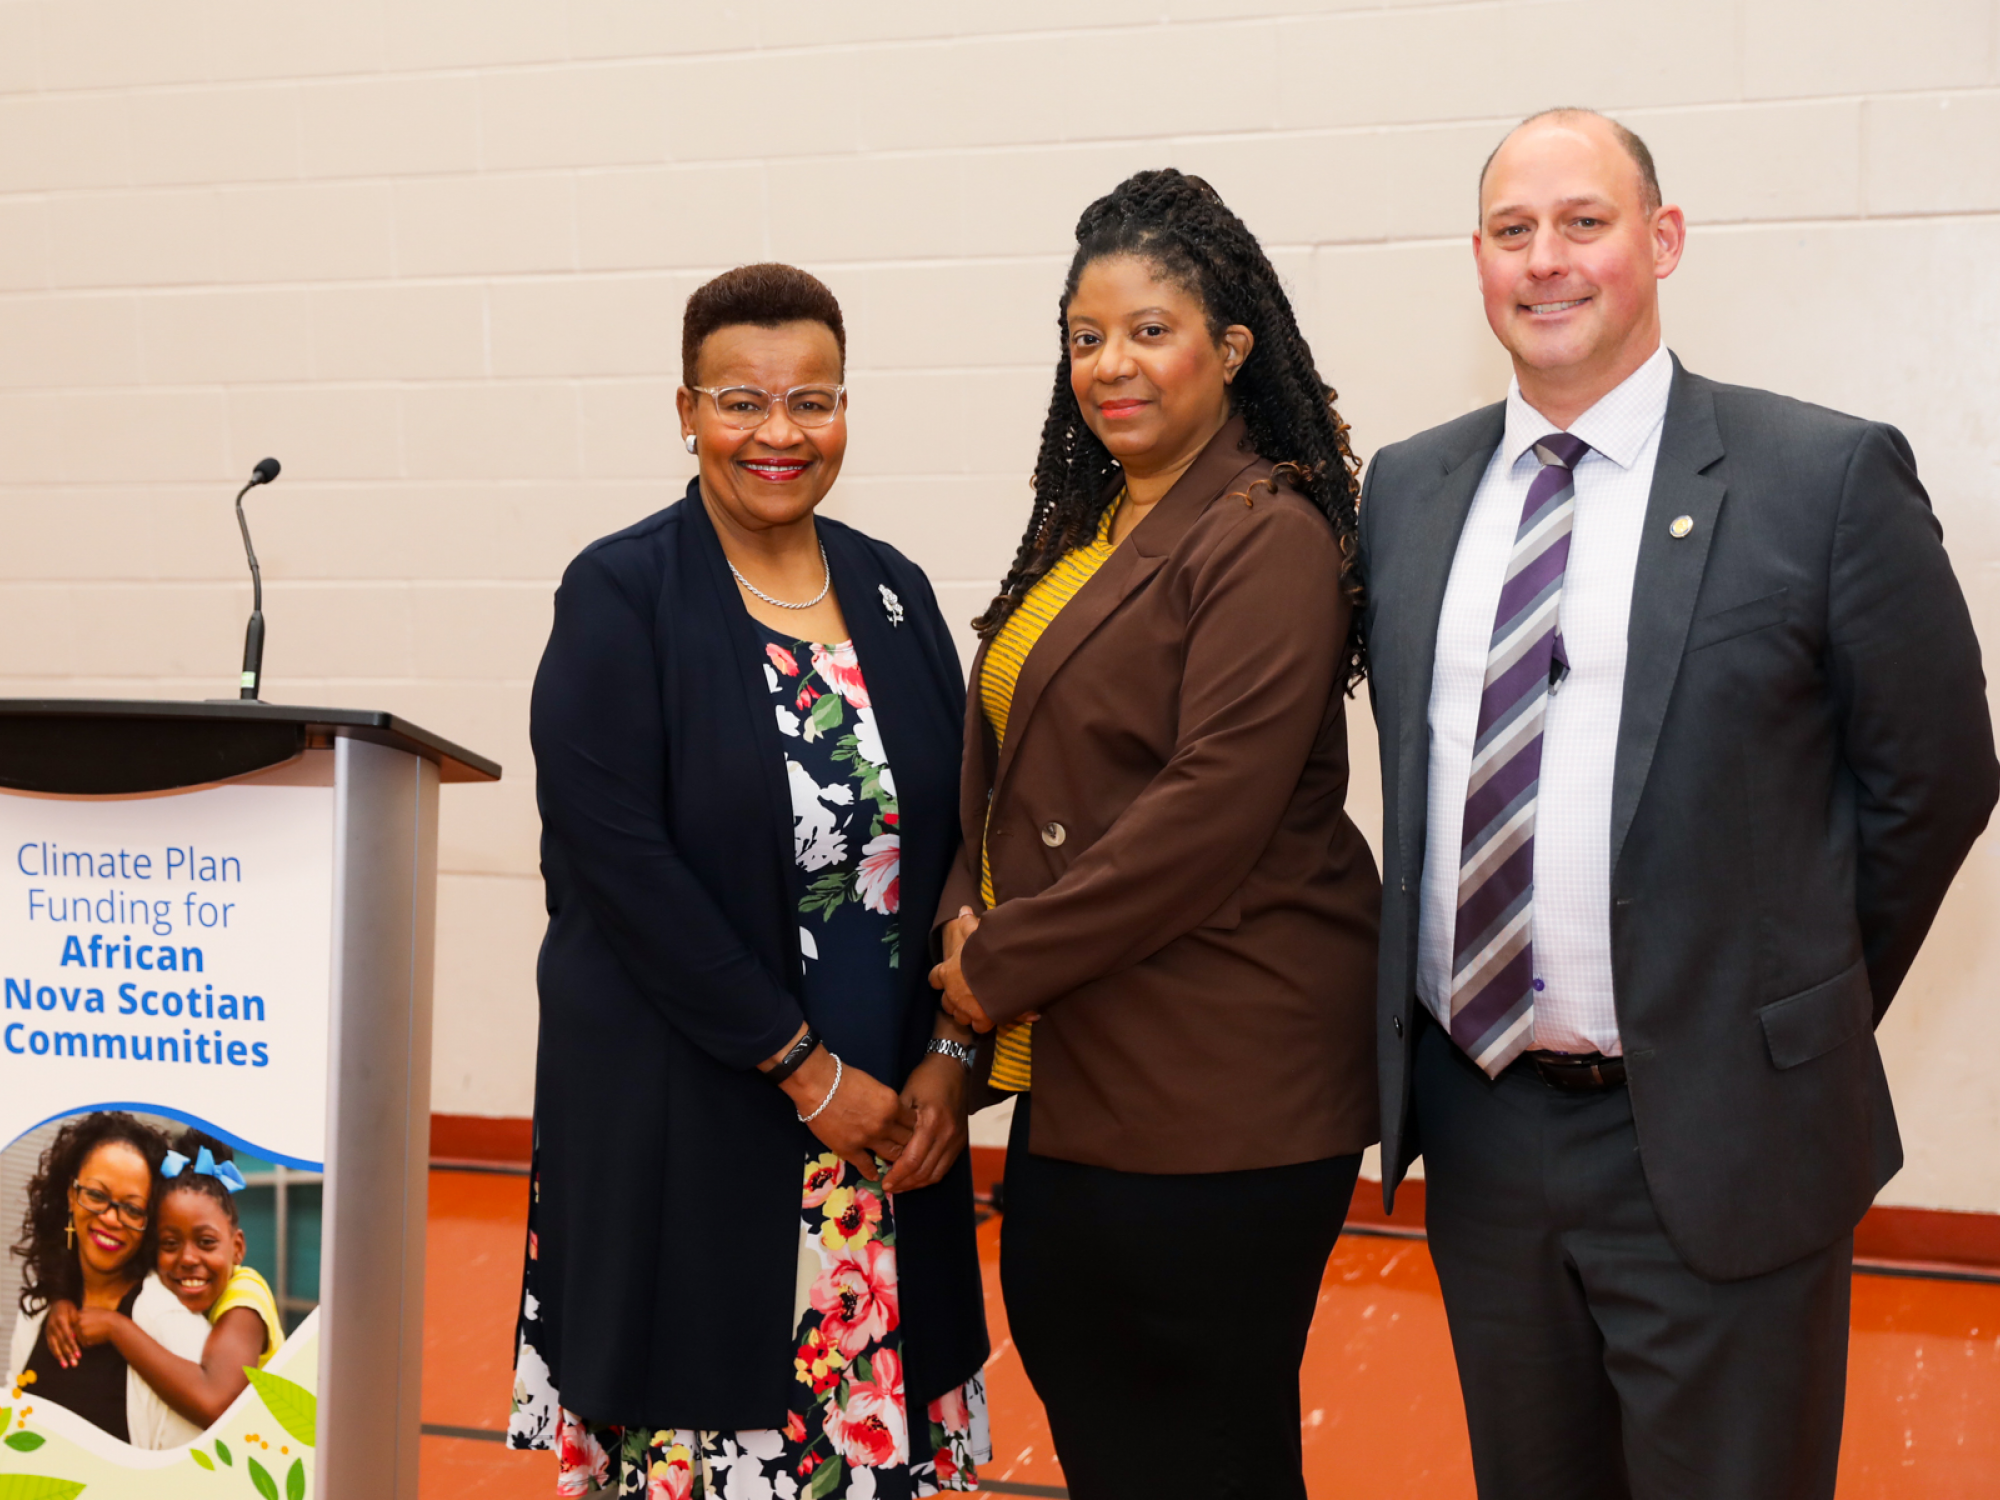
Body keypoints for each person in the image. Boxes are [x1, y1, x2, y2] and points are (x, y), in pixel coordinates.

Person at [1359, 108, 1998, 1498]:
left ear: (1663, 241)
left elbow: (1935, 780)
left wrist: (1779, 1008)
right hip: (1483, 1132)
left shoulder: (1822, 478)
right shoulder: (1408, 492)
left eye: (1584, 223)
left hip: (1722, 1139)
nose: (1548, 261)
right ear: (1477, 260)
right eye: (1514, 232)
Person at [929, 169, 1380, 1500]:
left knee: (1203, 1448)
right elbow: (1007, 774)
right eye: (1085, 336)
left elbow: (1207, 813)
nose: (1110, 364)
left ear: (1231, 347)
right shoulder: (1086, 524)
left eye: (1149, 330)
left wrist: (995, 962)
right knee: (1100, 1401)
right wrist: (969, 965)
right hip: (1090, 1068)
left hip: (1227, 1086)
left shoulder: (1272, 534)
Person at [510, 262, 990, 1498]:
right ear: (684, 411)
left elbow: (954, 841)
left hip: (882, 1131)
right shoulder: (622, 593)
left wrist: (948, 1058)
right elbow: (623, 871)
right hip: (701, 1109)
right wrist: (800, 1067)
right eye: (740, 400)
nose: (778, 433)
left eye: (812, 401)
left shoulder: (893, 590)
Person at [41, 1130, 284, 1432]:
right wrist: (62, 1300)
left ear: (237, 1247)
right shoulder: (158, 1288)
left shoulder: (246, 1297)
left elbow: (216, 1403)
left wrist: (117, 1328)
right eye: (169, 1244)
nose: (188, 1259)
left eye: (206, 1242)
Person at [6, 1111, 209, 1449]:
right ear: (71, 1196)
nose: (111, 1219)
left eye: (132, 1209)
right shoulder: (41, 1310)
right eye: (97, 1196)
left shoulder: (168, 1322)